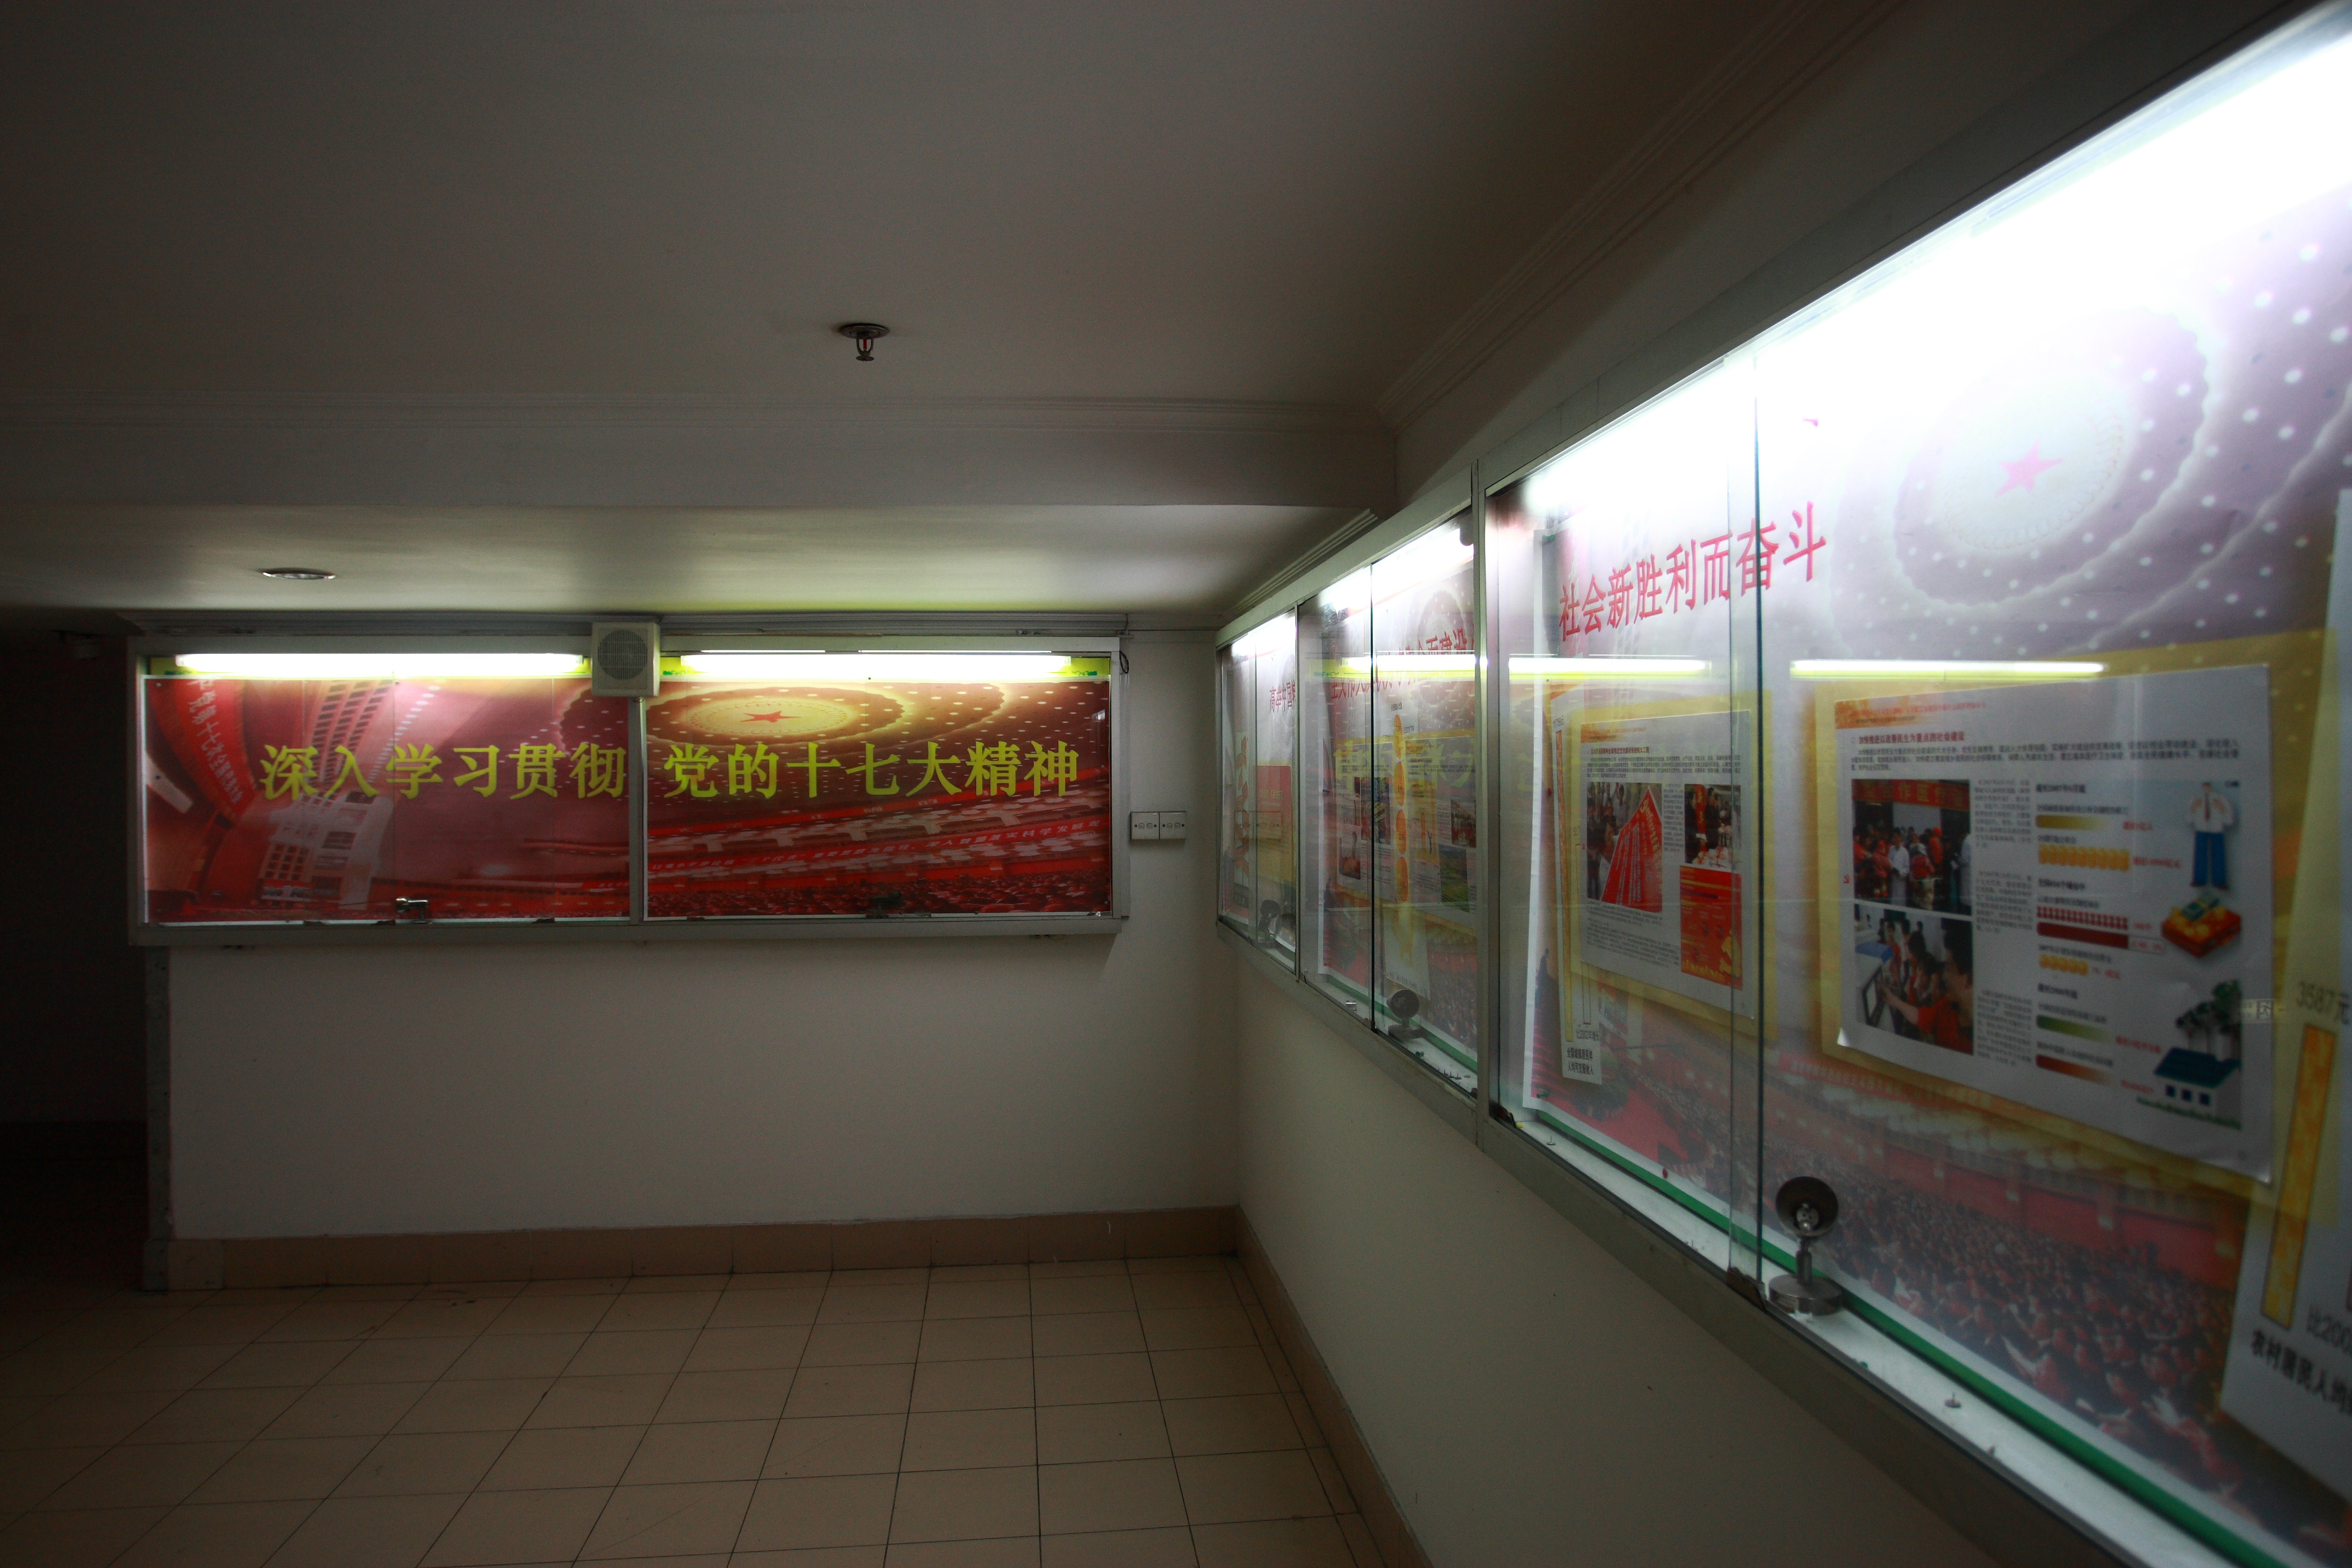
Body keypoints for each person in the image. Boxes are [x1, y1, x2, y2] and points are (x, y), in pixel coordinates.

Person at [2187, 782, 2234, 889]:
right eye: (2205, 786)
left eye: (2208, 786)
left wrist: (2222, 808)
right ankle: (2199, 880)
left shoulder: (2220, 798)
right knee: (2200, 855)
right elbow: (2188, 819)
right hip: (2201, 829)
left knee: (2218, 855)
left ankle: (2220, 881)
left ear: (2211, 787)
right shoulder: (2196, 798)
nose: (2206, 788)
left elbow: (2229, 820)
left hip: (2217, 829)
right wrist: (2194, 808)